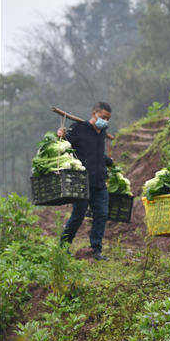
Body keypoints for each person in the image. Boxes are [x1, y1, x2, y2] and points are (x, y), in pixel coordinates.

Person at [57, 102, 114, 260]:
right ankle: (64, 246)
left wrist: (108, 161)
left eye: (108, 119)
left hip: (100, 180)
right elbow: (65, 144)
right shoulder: (79, 128)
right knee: (78, 215)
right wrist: (60, 135)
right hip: (81, 180)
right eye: (103, 117)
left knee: (101, 214)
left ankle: (96, 250)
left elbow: (96, 153)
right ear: (94, 113)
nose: (105, 121)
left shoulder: (102, 132)